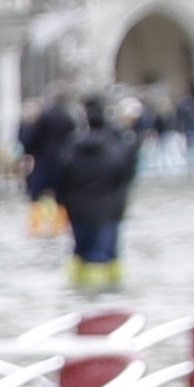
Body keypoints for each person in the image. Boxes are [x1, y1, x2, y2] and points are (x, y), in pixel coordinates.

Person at [53, 93, 146, 292]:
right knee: (107, 253)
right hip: (109, 209)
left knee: (80, 252)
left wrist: (64, 202)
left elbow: (60, 178)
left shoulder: (71, 147)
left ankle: (79, 295)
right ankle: (106, 299)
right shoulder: (117, 147)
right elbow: (124, 176)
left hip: (77, 208)